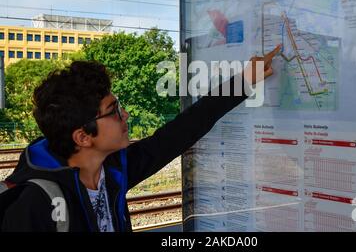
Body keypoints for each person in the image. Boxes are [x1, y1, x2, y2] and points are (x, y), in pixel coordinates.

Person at [0, 45, 281, 232]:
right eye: (113, 111)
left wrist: (244, 80)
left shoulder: (112, 169)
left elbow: (180, 132)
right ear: (83, 136)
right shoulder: (32, 204)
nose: (126, 114)